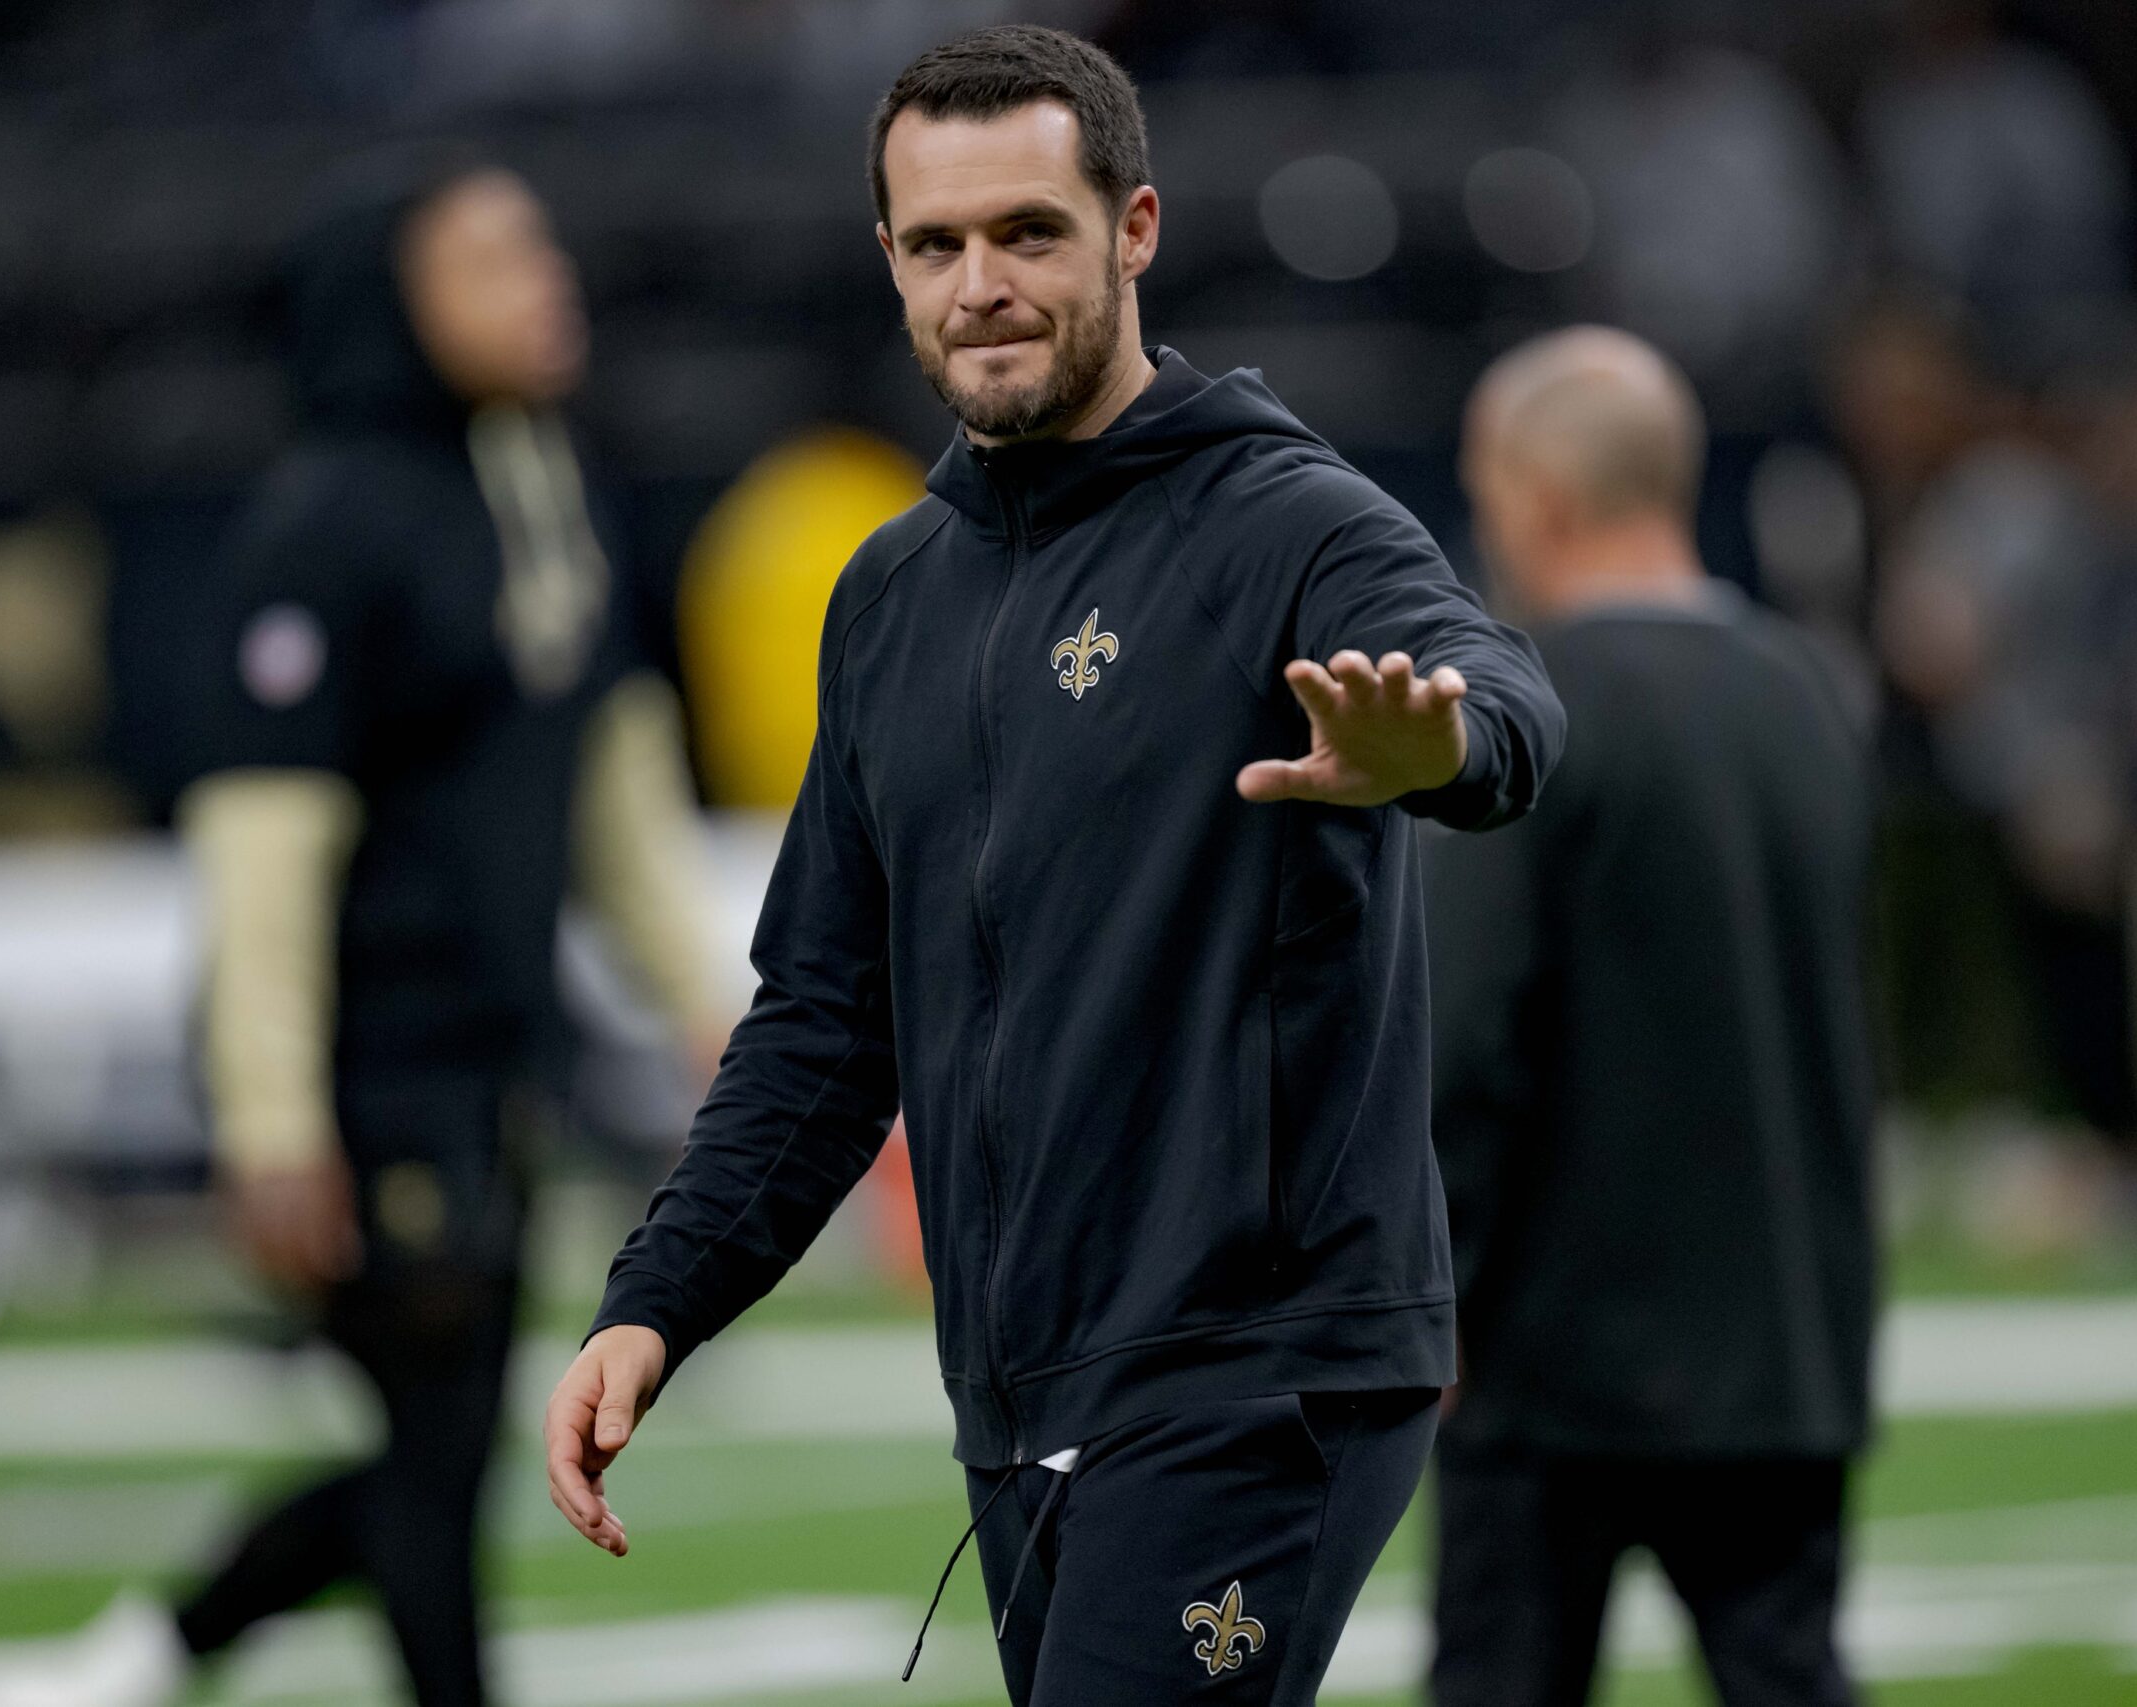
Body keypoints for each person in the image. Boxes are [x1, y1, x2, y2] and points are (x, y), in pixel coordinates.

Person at [542, 25, 1563, 1707]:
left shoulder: (1287, 523)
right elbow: (818, 1025)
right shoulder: (887, 600)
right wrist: (656, 1303)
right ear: (887, 259)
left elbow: (1502, 694)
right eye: (936, 245)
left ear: (1135, 230)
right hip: (1021, 1403)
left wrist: (1435, 748)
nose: (981, 285)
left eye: (1029, 232)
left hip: (1258, 1374)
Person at [0, 160, 711, 1707]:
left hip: (492, 1057)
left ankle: (159, 1651)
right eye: (491, 259)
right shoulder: (328, 521)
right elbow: (262, 854)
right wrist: (276, 1118)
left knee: (441, 1455)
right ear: (395, 303)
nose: (545, 277)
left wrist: (720, 1015)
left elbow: (617, 789)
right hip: (371, 1067)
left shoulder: (544, 486)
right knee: (435, 1467)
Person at [1426, 328, 1875, 1707]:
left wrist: (1425, 1292)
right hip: (1783, 1339)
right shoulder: (1810, 690)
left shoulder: (1529, 702)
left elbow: (1463, 1037)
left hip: (1554, 1358)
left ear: (1538, 494)